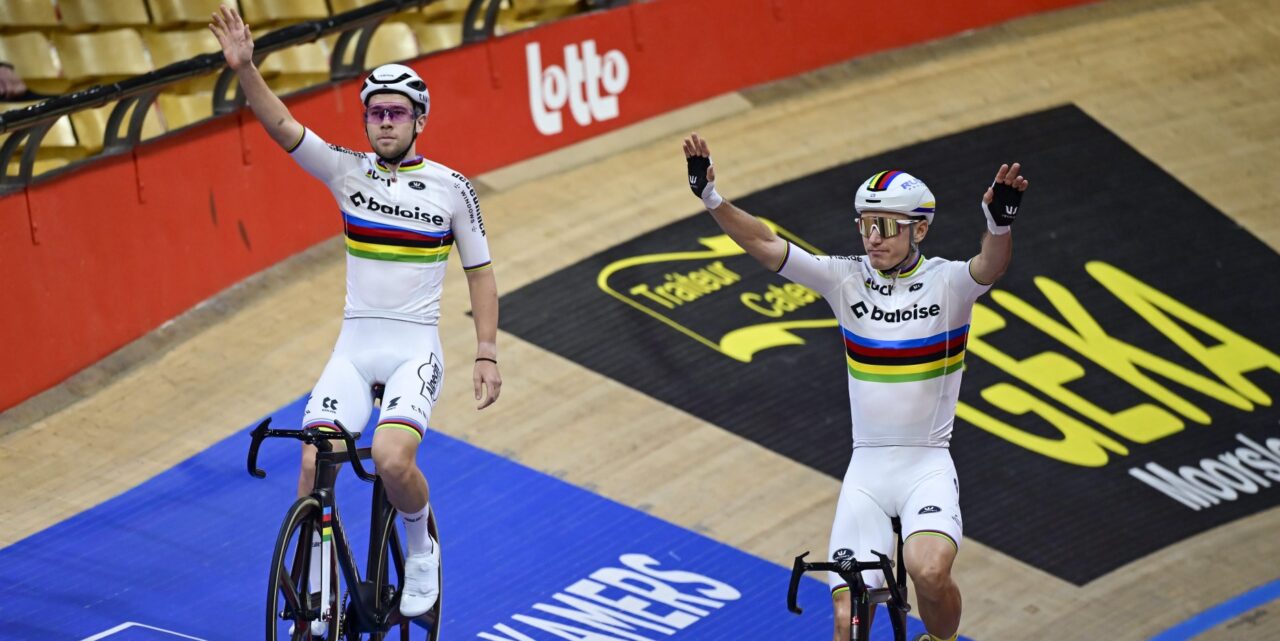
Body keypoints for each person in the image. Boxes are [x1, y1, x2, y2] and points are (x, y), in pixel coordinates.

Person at [211, 4, 502, 627]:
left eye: (396, 113)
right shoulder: (347, 172)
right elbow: (282, 125)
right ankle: (318, 595)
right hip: (353, 349)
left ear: (419, 120)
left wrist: (486, 351)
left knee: (394, 461)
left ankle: (421, 552)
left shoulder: (453, 189)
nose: (385, 123)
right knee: (315, 459)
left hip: (413, 352)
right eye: (375, 113)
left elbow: (480, 274)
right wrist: (245, 69)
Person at [682, 133, 1026, 641]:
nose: (872, 238)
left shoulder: (949, 284)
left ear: (921, 229)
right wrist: (711, 198)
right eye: (865, 225)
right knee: (846, 620)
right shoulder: (844, 279)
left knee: (928, 571)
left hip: (925, 464)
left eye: (886, 226)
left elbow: (992, 265)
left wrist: (999, 223)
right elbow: (765, 243)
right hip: (866, 468)